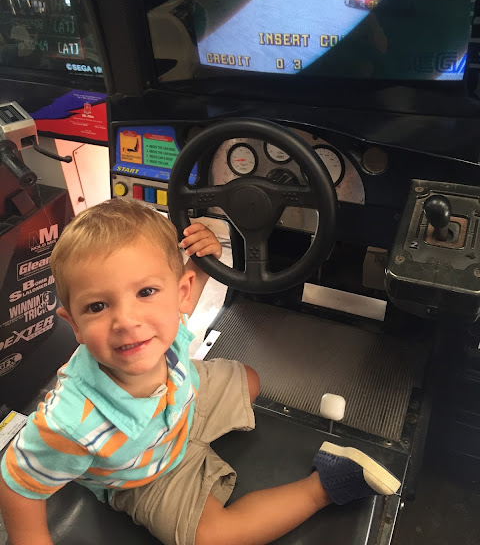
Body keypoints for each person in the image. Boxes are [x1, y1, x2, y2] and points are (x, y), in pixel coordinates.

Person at [0, 198, 400, 545]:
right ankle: (325, 487)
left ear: (181, 292)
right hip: (142, 473)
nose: (127, 321)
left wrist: (203, 258)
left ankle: (193, 435)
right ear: (74, 324)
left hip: (181, 403)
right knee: (214, 537)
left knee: (251, 381)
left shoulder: (161, 325)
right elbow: (16, 483)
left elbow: (186, 292)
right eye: (98, 307)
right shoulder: (70, 423)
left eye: (145, 292)